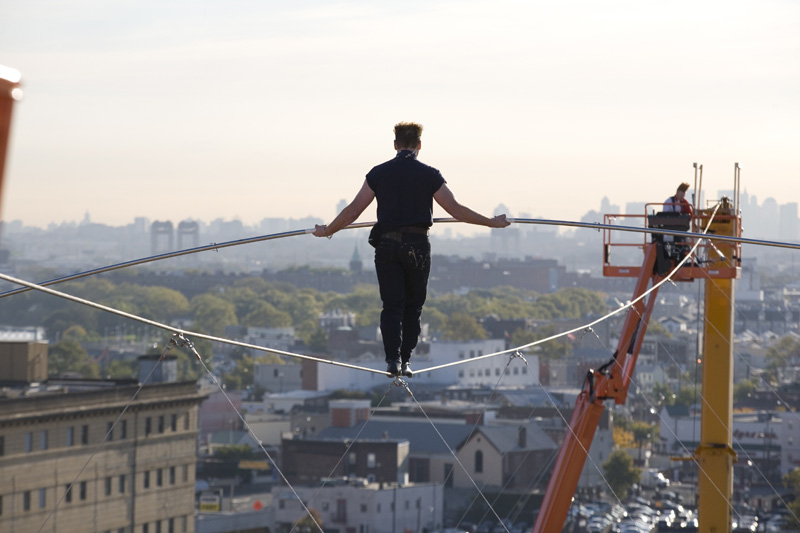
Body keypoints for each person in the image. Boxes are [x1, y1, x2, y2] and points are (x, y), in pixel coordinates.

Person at [313, 122, 510, 377]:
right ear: (419, 145)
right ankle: (405, 361)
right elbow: (455, 209)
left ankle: (392, 361)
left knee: (391, 306)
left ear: (395, 145)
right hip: (417, 245)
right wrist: (491, 223)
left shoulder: (378, 173)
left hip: (387, 245)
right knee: (413, 308)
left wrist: (328, 230)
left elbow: (353, 210)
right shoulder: (429, 175)